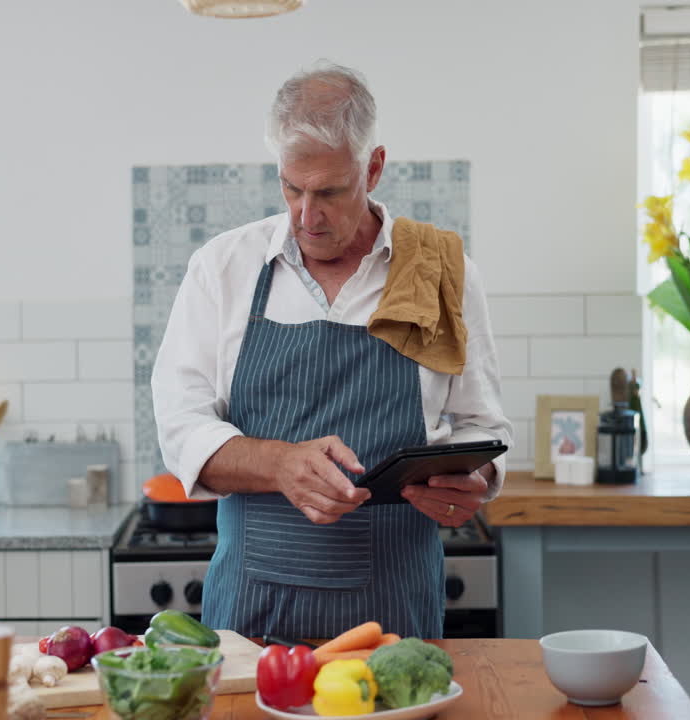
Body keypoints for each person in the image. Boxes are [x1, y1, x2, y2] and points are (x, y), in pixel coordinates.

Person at [151, 61, 512, 639]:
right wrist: (280, 465)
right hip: (249, 611)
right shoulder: (223, 267)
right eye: (292, 188)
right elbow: (179, 428)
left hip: (395, 614)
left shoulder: (441, 271)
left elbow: (480, 425)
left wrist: (473, 478)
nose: (306, 216)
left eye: (330, 192)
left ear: (374, 168)